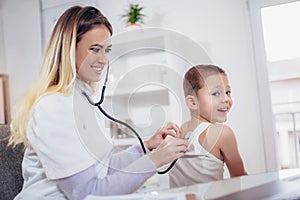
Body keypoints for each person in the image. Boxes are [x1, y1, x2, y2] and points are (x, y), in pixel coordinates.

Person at [9, 5, 187, 199]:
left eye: (107, 50)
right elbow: (88, 192)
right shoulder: (54, 106)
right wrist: (155, 160)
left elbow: (103, 168)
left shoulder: (84, 99)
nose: (103, 60)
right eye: (95, 49)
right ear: (68, 49)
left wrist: (146, 147)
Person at [169, 64, 247, 188]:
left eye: (227, 92)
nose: (226, 99)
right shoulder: (222, 133)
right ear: (193, 102)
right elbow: (240, 179)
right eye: (216, 93)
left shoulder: (181, 131)